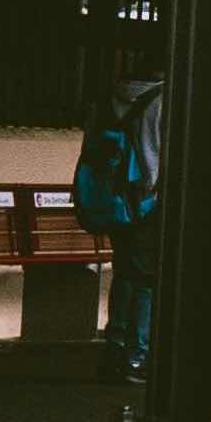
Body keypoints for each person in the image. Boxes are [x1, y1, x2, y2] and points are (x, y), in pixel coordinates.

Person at [74, 75, 165, 384]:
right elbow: (159, 155)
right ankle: (136, 359)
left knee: (125, 273)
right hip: (144, 202)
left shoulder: (108, 96)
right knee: (146, 281)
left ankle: (114, 349)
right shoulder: (162, 99)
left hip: (114, 200)